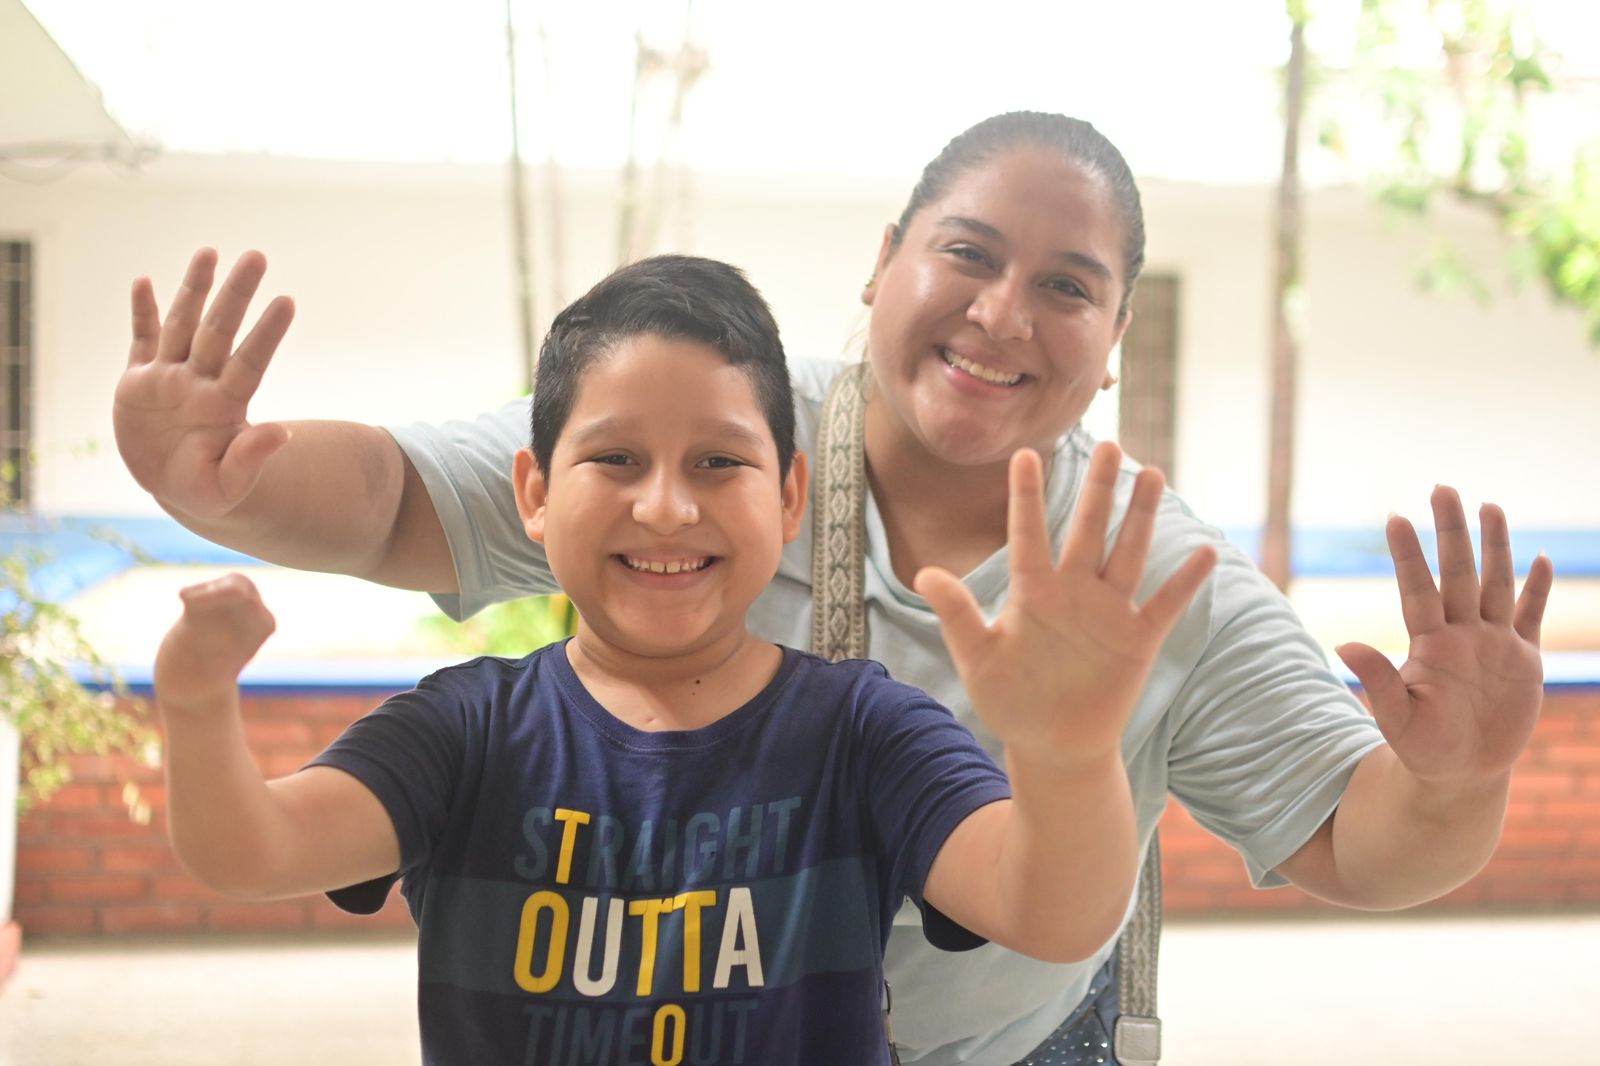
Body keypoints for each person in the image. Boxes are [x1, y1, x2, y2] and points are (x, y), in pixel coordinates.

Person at [116, 112, 1553, 1066]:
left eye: (1068, 287)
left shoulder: (1151, 576)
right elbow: (397, 501)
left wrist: (1456, 779)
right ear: (883, 264)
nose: (1001, 313)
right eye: (967, 253)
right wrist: (222, 485)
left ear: (1115, 337)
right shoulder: (717, 422)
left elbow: (1359, 844)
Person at [150, 254, 1215, 1066]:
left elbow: (1051, 914)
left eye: (717, 461)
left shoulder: (863, 731)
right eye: (615, 458)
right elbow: (251, 852)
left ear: (789, 496)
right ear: (534, 492)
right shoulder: (464, 729)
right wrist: (196, 703)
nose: (665, 506)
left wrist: (1070, 754)